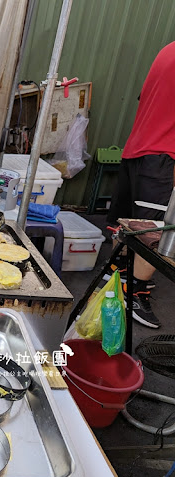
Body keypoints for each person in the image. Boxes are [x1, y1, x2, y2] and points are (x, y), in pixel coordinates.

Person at [107, 41, 175, 329]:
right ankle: (135, 293)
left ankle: (117, 273)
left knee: (127, 224)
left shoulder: (168, 50)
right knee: (153, 232)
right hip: (163, 155)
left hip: (137, 148)